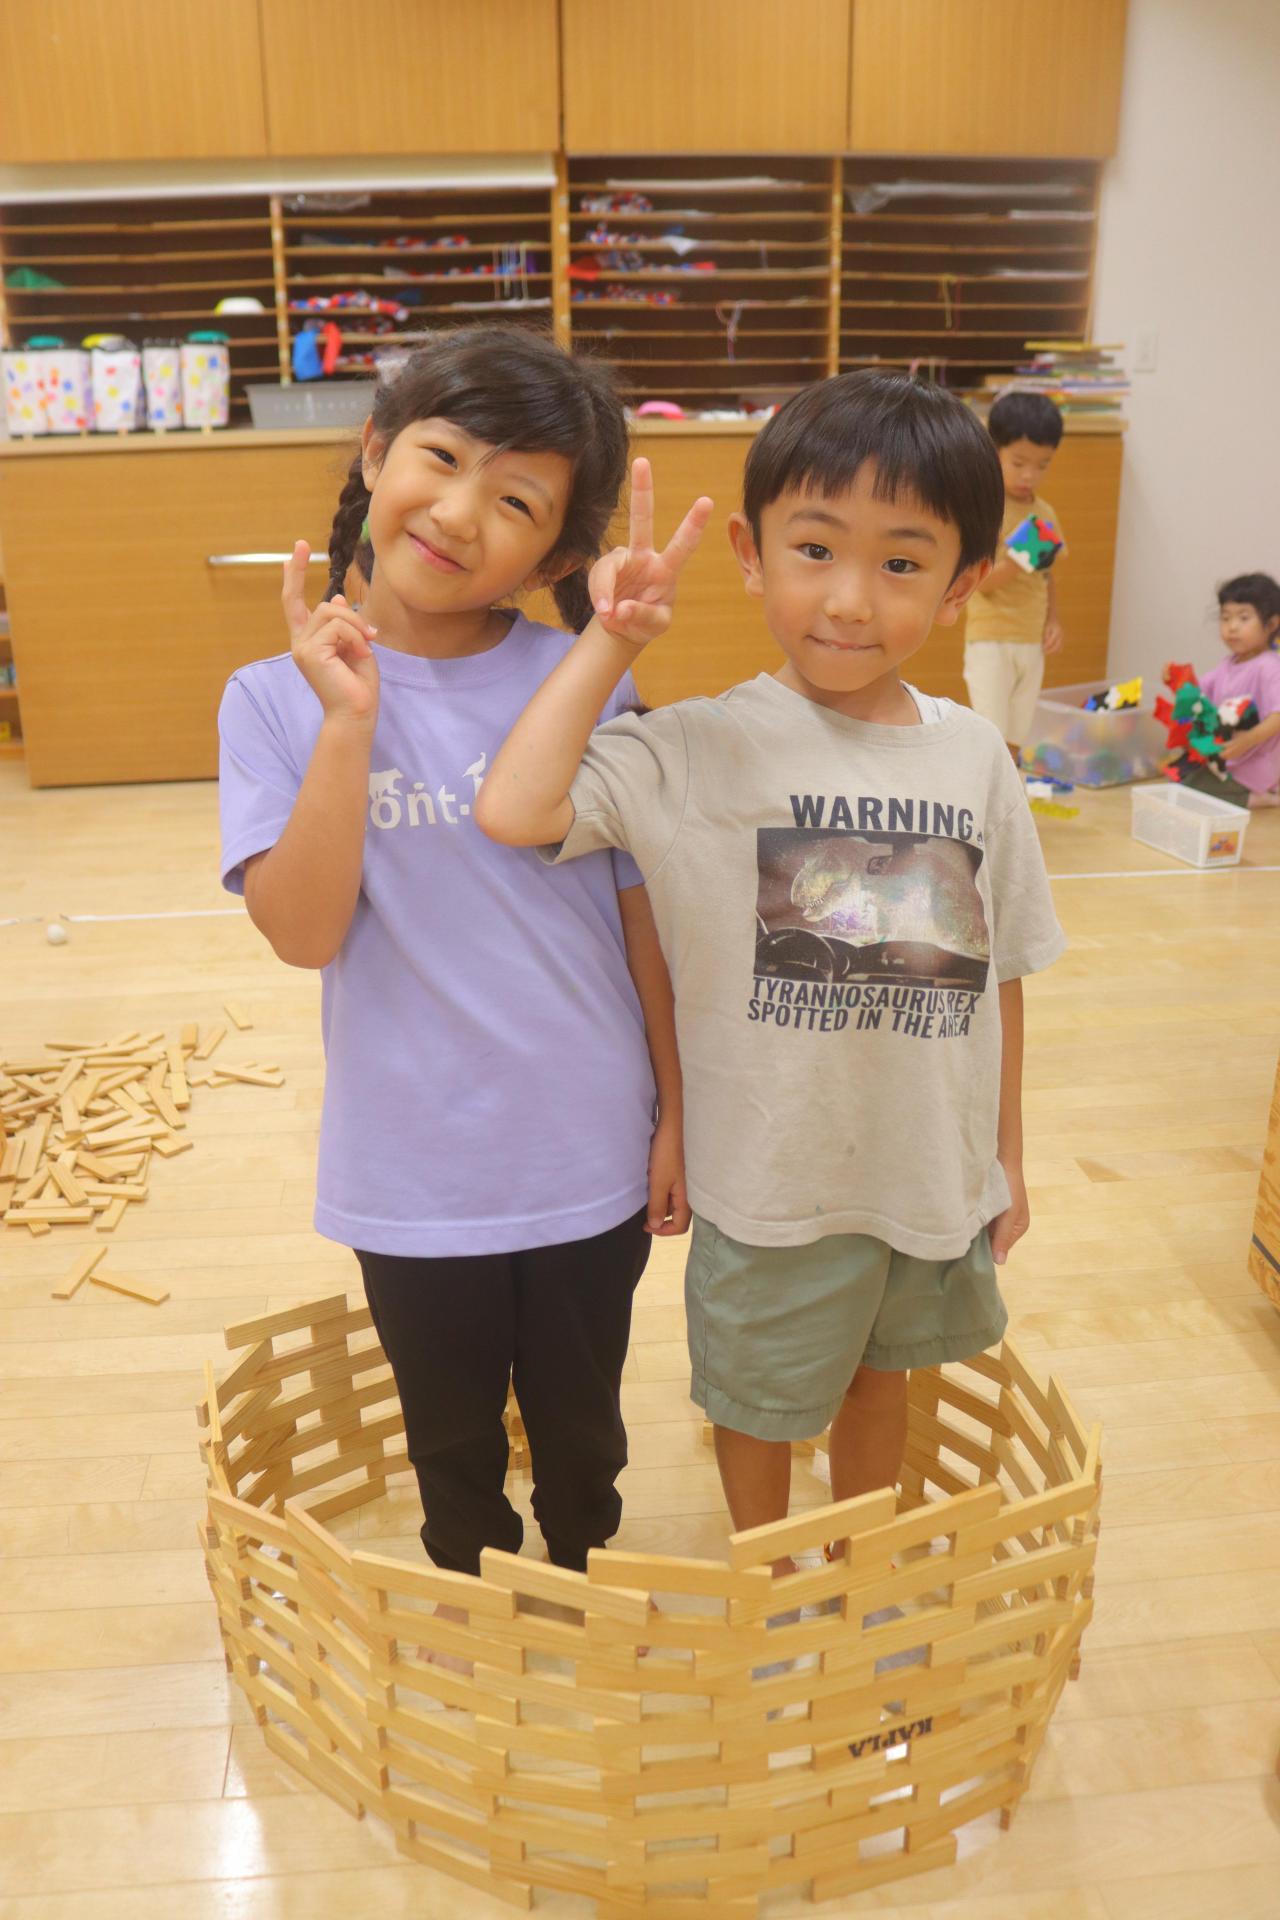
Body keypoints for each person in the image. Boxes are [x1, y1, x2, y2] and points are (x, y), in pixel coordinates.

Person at [477, 370, 1065, 1570]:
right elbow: (514, 806)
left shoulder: (972, 756)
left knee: (881, 1380)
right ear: (750, 555)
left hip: (923, 1170)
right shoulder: (697, 745)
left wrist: (1005, 1153)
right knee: (756, 1403)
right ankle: (773, 1573)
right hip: (771, 1183)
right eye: (814, 549)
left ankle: (856, 1567)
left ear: (960, 585)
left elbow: (997, 968)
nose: (847, 599)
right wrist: (611, 636)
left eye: (899, 563)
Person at [217, 327, 691, 1613]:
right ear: (376, 453)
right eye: (441, 456)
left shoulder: (583, 681)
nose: (461, 511)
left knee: (584, 1429)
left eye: (518, 500)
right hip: (410, 1166)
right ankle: (478, 1615)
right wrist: (348, 723)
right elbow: (303, 932)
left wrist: (675, 1110)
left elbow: (643, 919)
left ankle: (585, 1584)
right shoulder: (271, 697)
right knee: (450, 1442)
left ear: (557, 557)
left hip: (586, 1146)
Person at [962, 390, 1067, 760]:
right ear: (995, 451)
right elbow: (981, 582)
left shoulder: (1044, 513)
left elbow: (1047, 575)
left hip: (1030, 638)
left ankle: (1011, 792)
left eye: (1042, 465)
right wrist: (1020, 559)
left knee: (1017, 736)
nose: (1029, 475)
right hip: (991, 637)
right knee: (990, 733)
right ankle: (986, 794)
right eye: (1019, 462)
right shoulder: (988, 508)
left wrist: (1053, 620)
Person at [1200, 571, 1280, 808]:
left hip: (1258, 763)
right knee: (1184, 779)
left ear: (1272, 624)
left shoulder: (1269, 666)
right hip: (1233, 757)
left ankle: (1264, 797)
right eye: (1226, 618)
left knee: (1203, 793)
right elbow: (1199, 694)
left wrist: (1248, 739)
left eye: (1243, 618)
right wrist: (1176, 681)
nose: (1232, 627)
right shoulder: (1228, 663)